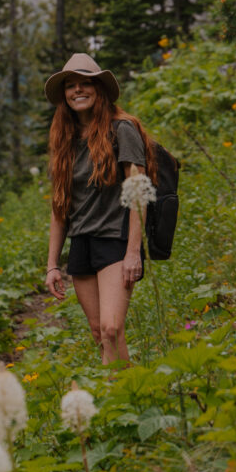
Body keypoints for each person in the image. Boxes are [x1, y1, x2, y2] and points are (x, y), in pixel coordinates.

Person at [43, 53, 158, 366]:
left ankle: (124, 400)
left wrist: (134, 251)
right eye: (71, 85)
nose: (78, 90)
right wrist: (53, 264)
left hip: (115, 241)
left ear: (99, 89)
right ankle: (121, 399)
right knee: (98, 332)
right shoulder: (64, 139)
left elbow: (138, 193)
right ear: (64, 95)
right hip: (81, 242)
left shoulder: (122, 129)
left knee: (111, 328)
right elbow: (59, 207)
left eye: (85, 83)